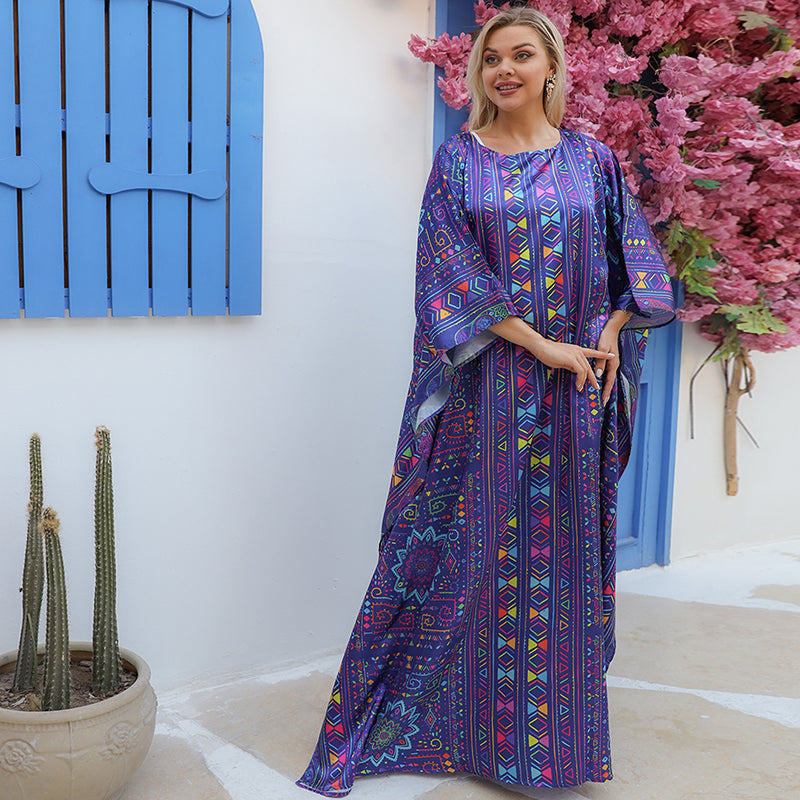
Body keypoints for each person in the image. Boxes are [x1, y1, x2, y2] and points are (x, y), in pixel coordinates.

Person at [297, 7, 675, 796]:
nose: (505, 69)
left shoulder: (594, 161)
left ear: (551, 68)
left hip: (577, 394)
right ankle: (445, 727)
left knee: (560, 560)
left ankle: (550, 751)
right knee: (464, 551)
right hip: (488, 392)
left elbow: (634, 261)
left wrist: (608, 330)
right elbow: (449, 272)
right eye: (492, 58)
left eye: (521, 55)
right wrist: (539, 344)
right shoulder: (458, 163)